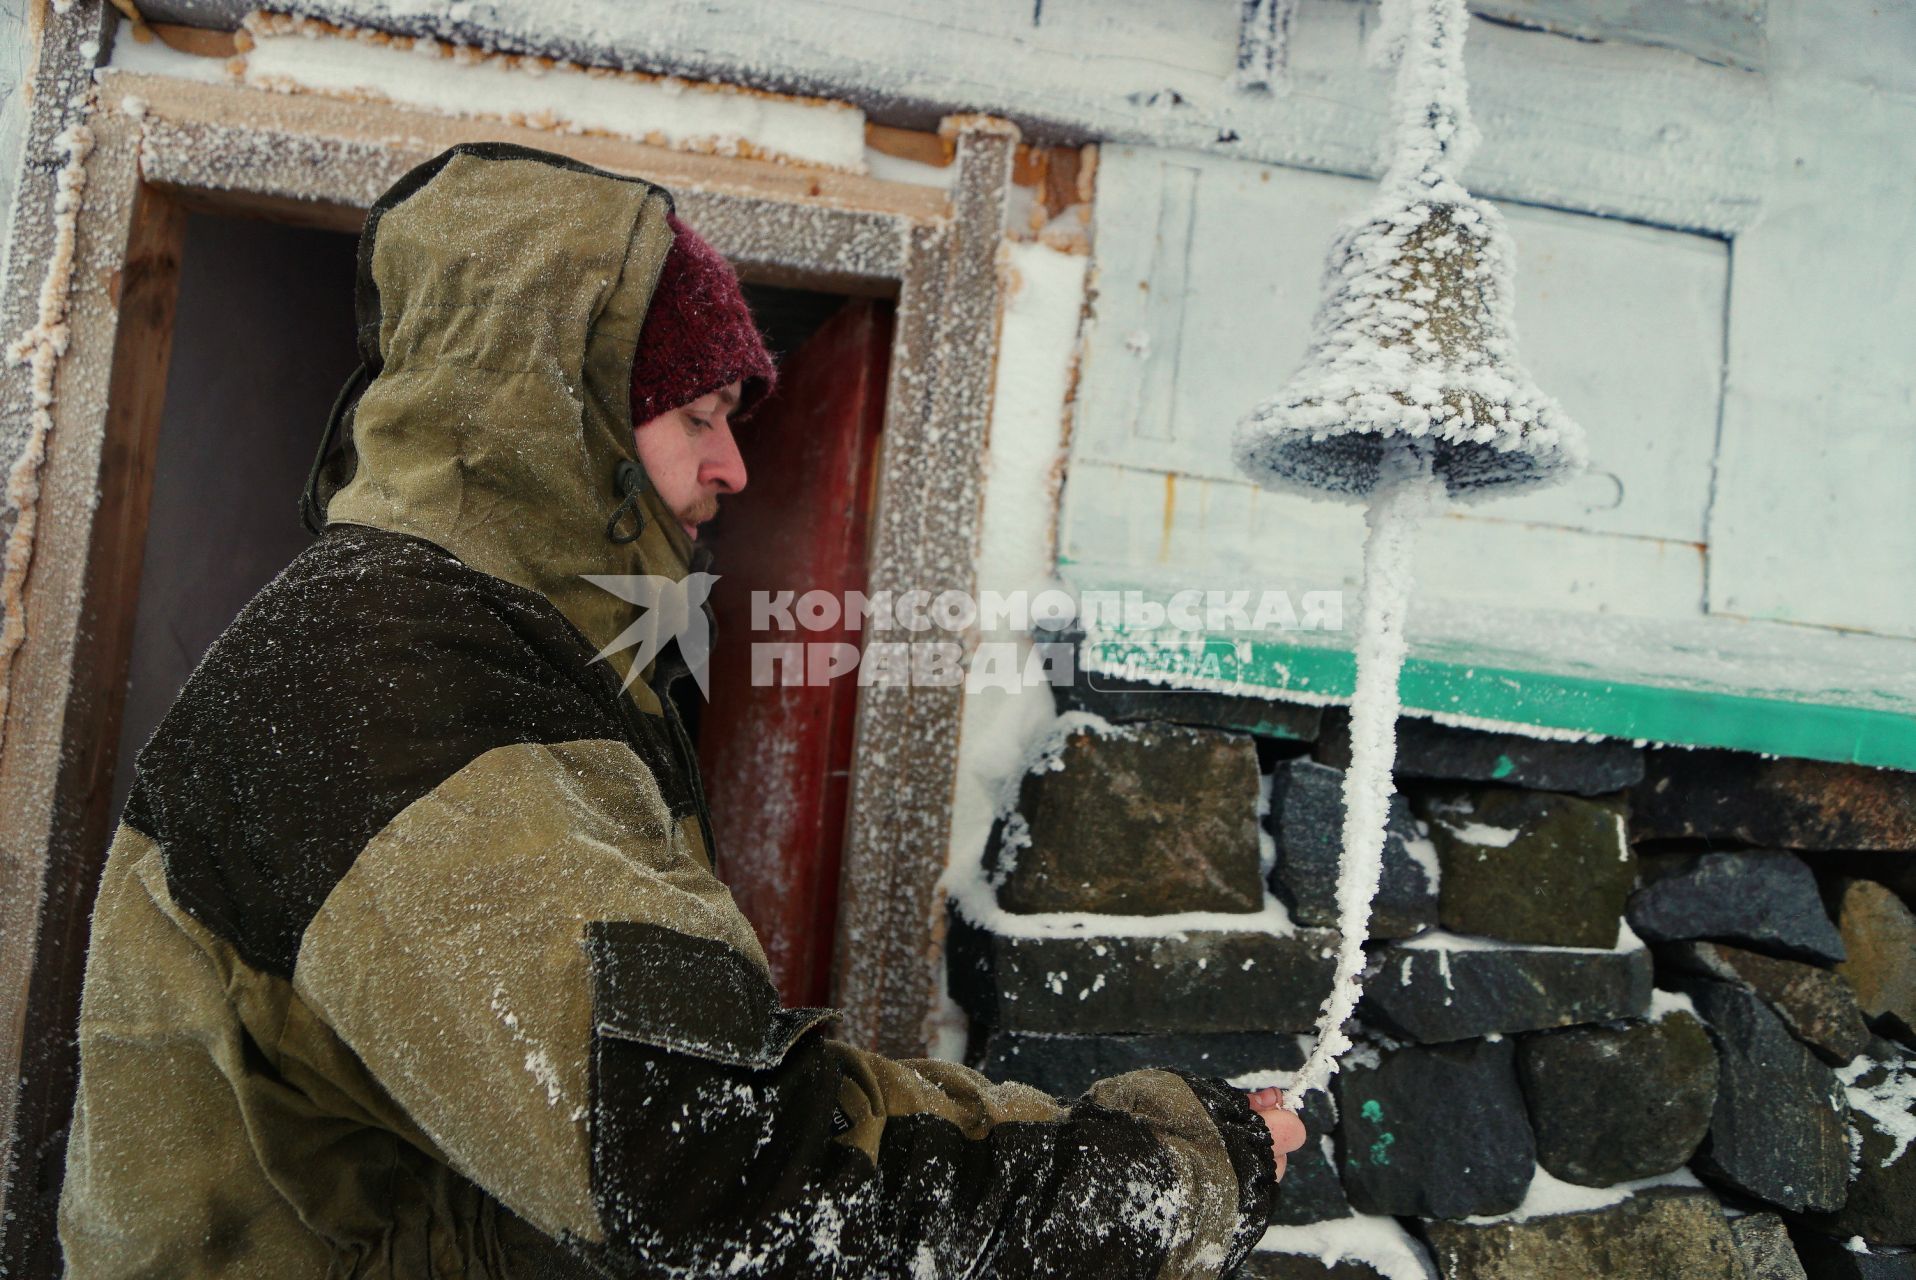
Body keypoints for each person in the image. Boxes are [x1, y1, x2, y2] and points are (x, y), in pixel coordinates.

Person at [58, 141, 1304, 1278]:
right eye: (695, 417)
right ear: (554, 416)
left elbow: (700, 1105)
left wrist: (1101, 1142)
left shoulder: (505, 652)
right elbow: (715, 1171)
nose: (733, 466)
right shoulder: (394, 683)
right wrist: (1141, 1180)